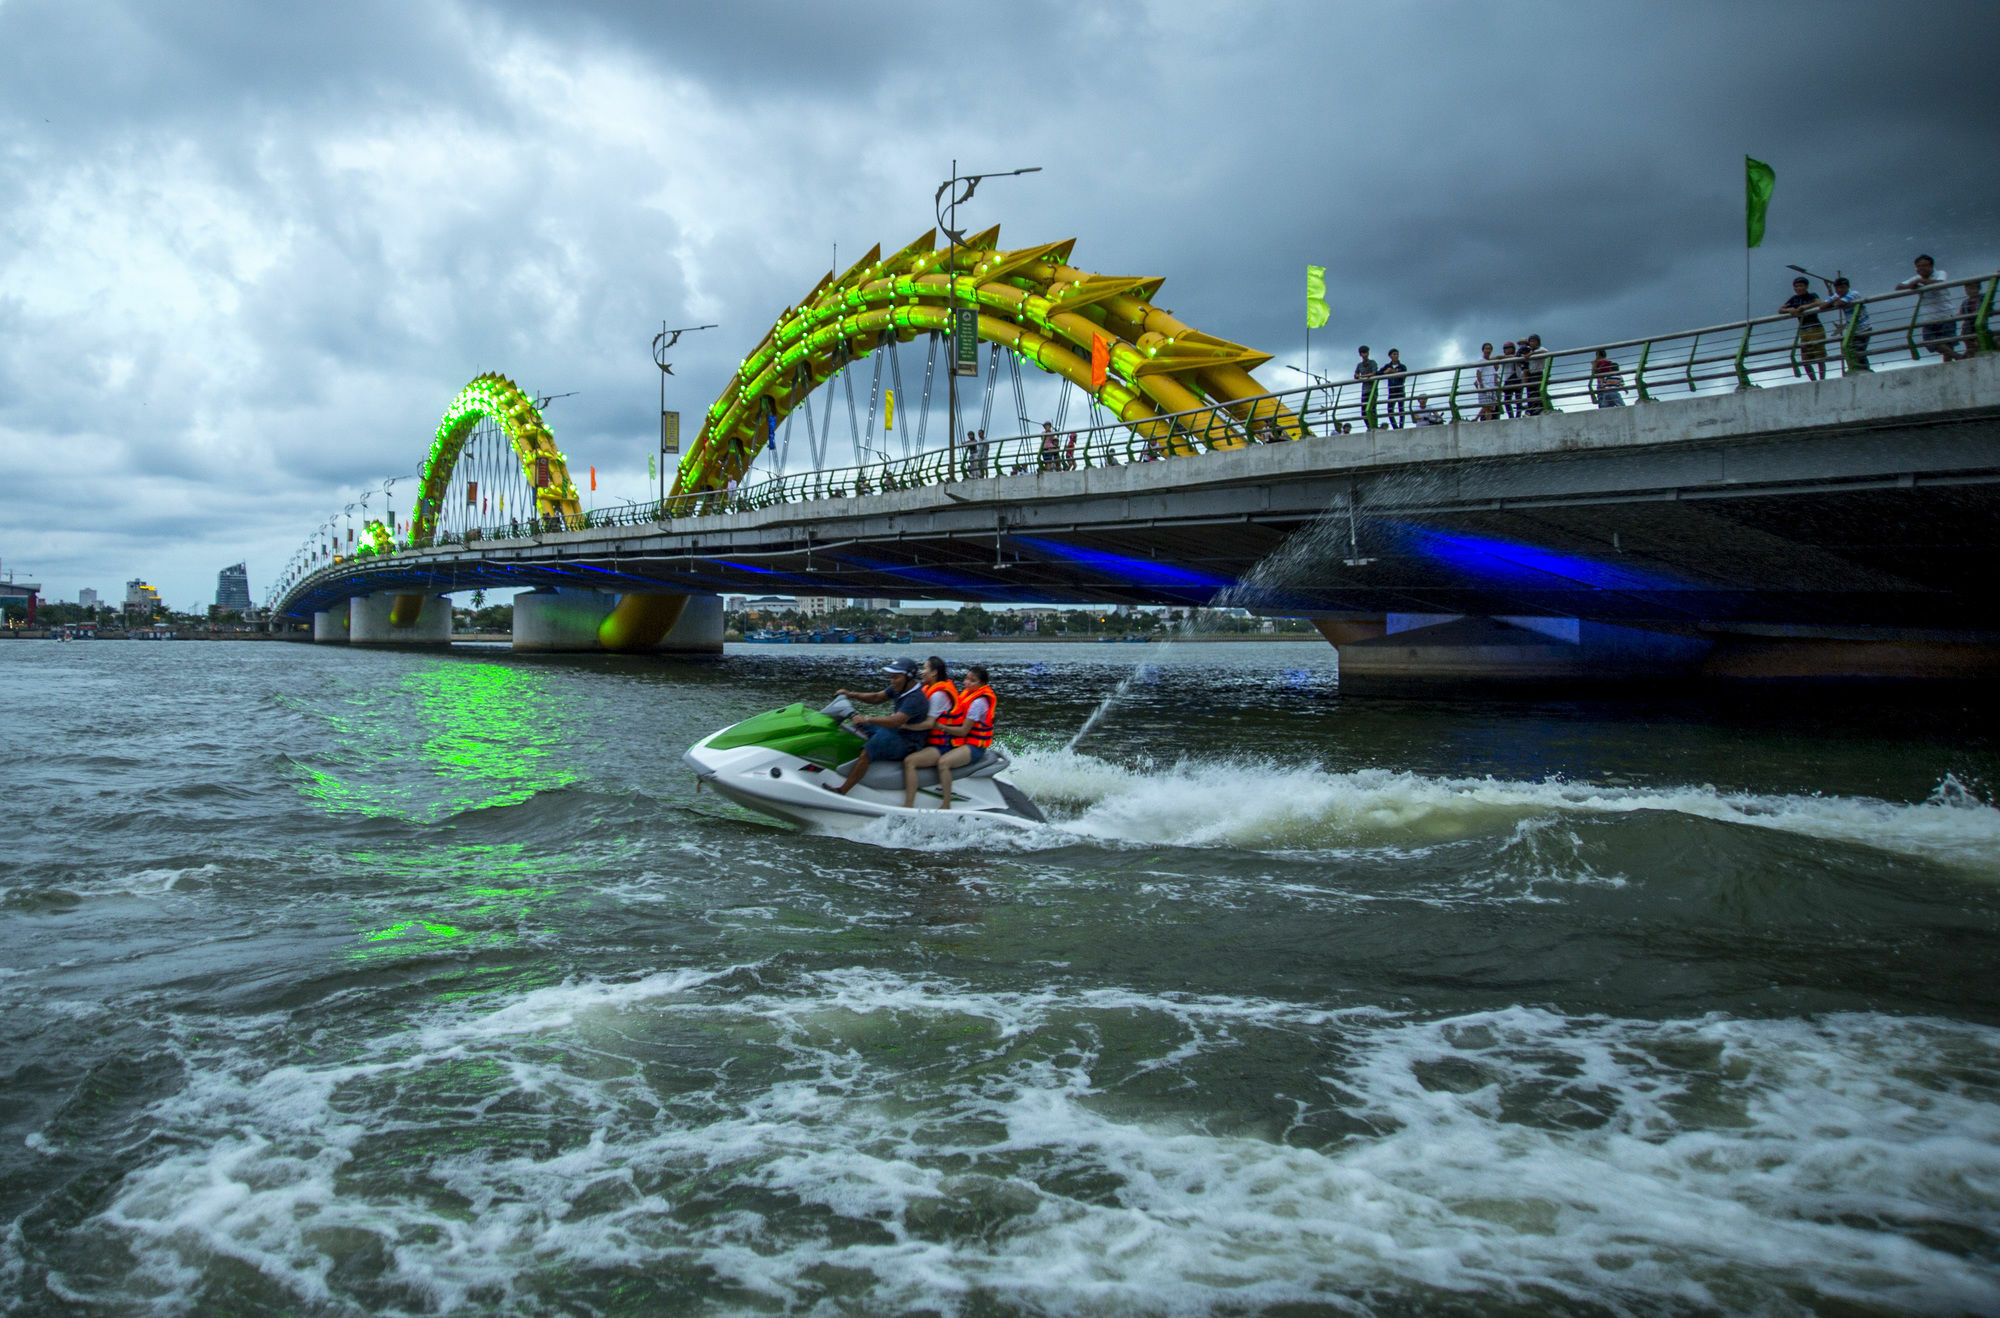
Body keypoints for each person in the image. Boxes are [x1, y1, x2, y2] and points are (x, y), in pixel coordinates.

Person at [825, 658, 932, 794]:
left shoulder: (915, 698)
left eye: (896, 677)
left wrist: (867, 719)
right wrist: (850, 694)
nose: (892, 681)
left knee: (866, 753)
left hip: (908, 741)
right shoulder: (899, 688)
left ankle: (842, 790)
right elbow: (876, 697)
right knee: (853, 727)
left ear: (909, 677)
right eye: (891, 677)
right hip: (896, 731)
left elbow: (896, 721)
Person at [901, 663, 997, 810]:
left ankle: (946, 803)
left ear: (982, 684)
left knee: (943, 763)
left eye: (972, 681)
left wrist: (941, 727)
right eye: (966, 679)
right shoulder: (966, 695)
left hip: (974, 746)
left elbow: (964, 731)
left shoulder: (979, 703)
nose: (967, 683)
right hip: (961, 742)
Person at [1896, 255, 1961, 361]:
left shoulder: (1940, 273)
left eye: (1923, 266)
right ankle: (1958, 357)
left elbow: (1940, 282)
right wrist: (1911, 285)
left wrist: (1920, 282)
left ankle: (1951, 363)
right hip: (1929, 318)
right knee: (1930, 343)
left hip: (1946, 315)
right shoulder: (1917, 278)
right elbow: (1898, 287)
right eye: (1918, 267)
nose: (1920, 269)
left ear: (1931, 266)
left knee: (1947, 344)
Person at [1779, 276, 1827, 381]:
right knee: (1805, 359)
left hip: (1815, 328)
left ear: (1806, 286)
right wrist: (1790, 309)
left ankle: (1822, 379)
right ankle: (1813, 380)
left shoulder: (1811, 296)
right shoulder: (1794, 299)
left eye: (1800, 286)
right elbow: (1781, 310)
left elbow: (1819, 302)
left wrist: (1804, 307)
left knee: (1819, 356)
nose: (1798, 288)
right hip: (1803, 330)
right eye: (1796, 286)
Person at [1820, 276, 1872, 372]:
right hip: (1852, 329)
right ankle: (1858, 368)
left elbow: (1839, 303)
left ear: (1847, 287)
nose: (1839, 290)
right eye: (1837, 288)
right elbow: (1822, 306)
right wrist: (1835, 299)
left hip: (1864, 327)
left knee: (1858, 349)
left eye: (1842, 287)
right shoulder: (1838, 295)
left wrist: (1834, 300)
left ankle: (1864, 369)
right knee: (1851, 349)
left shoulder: (1854, 294)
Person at [1379, 349, 1408, 429]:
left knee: (1401, 409)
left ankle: (1401, 426)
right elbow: (1379, 373)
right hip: (1391, 391)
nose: (1396, 356)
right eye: (1394, 354)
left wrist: (1392, 371)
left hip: (1400, 389)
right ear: (1390, 356)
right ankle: (1395, 427)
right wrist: (1386, 372)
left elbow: (1403, 376)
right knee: (1390, 410)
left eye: (1397, 354)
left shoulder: (1402, 366)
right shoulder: (1387, 366)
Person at [1352, 346, 1378, 428]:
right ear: (1360, 354)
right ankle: (1369, 427)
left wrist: (1362, 376)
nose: (1365, 354)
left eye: (1366, 352)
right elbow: (1356, 374)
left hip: (1372, 389)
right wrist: (1357, 376)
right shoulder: (1359, 365)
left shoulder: (1373, 362)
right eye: (1363, 352)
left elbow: (1374, 373)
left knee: (1372, 409)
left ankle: (1374, 426)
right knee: (1364, 411)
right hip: (1364, 390)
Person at [1474, 343, 1500, 420]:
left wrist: (1498, 386)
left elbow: (1494, 375)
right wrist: (1481, 385)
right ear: (1483, 350)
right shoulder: (1481, 361)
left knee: (1490, 408)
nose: (1488, 350)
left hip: (1492, 387)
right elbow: (1478, 372)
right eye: (1486, 349)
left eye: (1489, 349)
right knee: (1487, 407)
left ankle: (1482, 420)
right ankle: (1485, 421)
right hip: (1485, 386)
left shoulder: (1491, 363)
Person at [1960, 281, 1986, 359]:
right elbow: (1962, 313)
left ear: (1978, 288)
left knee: (1978, 340)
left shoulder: (1982, 298)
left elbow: (1987, 306)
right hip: (1968, 325)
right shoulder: (1965, 302)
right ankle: (1970, 353)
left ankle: (1971, 352)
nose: (1970, 291)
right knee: (1966, 336)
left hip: (1978, 322)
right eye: (1967, 289)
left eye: (1972, 288)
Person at [1499, 341, 1523, 418]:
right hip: (1508, 380)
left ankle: (1518, 415)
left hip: (1518, 378)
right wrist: (1510, 357)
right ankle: (1511, 416)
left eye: (1508, 348)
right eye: (1505, 348)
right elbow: (1494, 358)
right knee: (1507, 401)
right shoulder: (1503, 358)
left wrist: (1515, 356)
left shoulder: (1518, 356)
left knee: (1518, 399)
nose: (1507, 350)